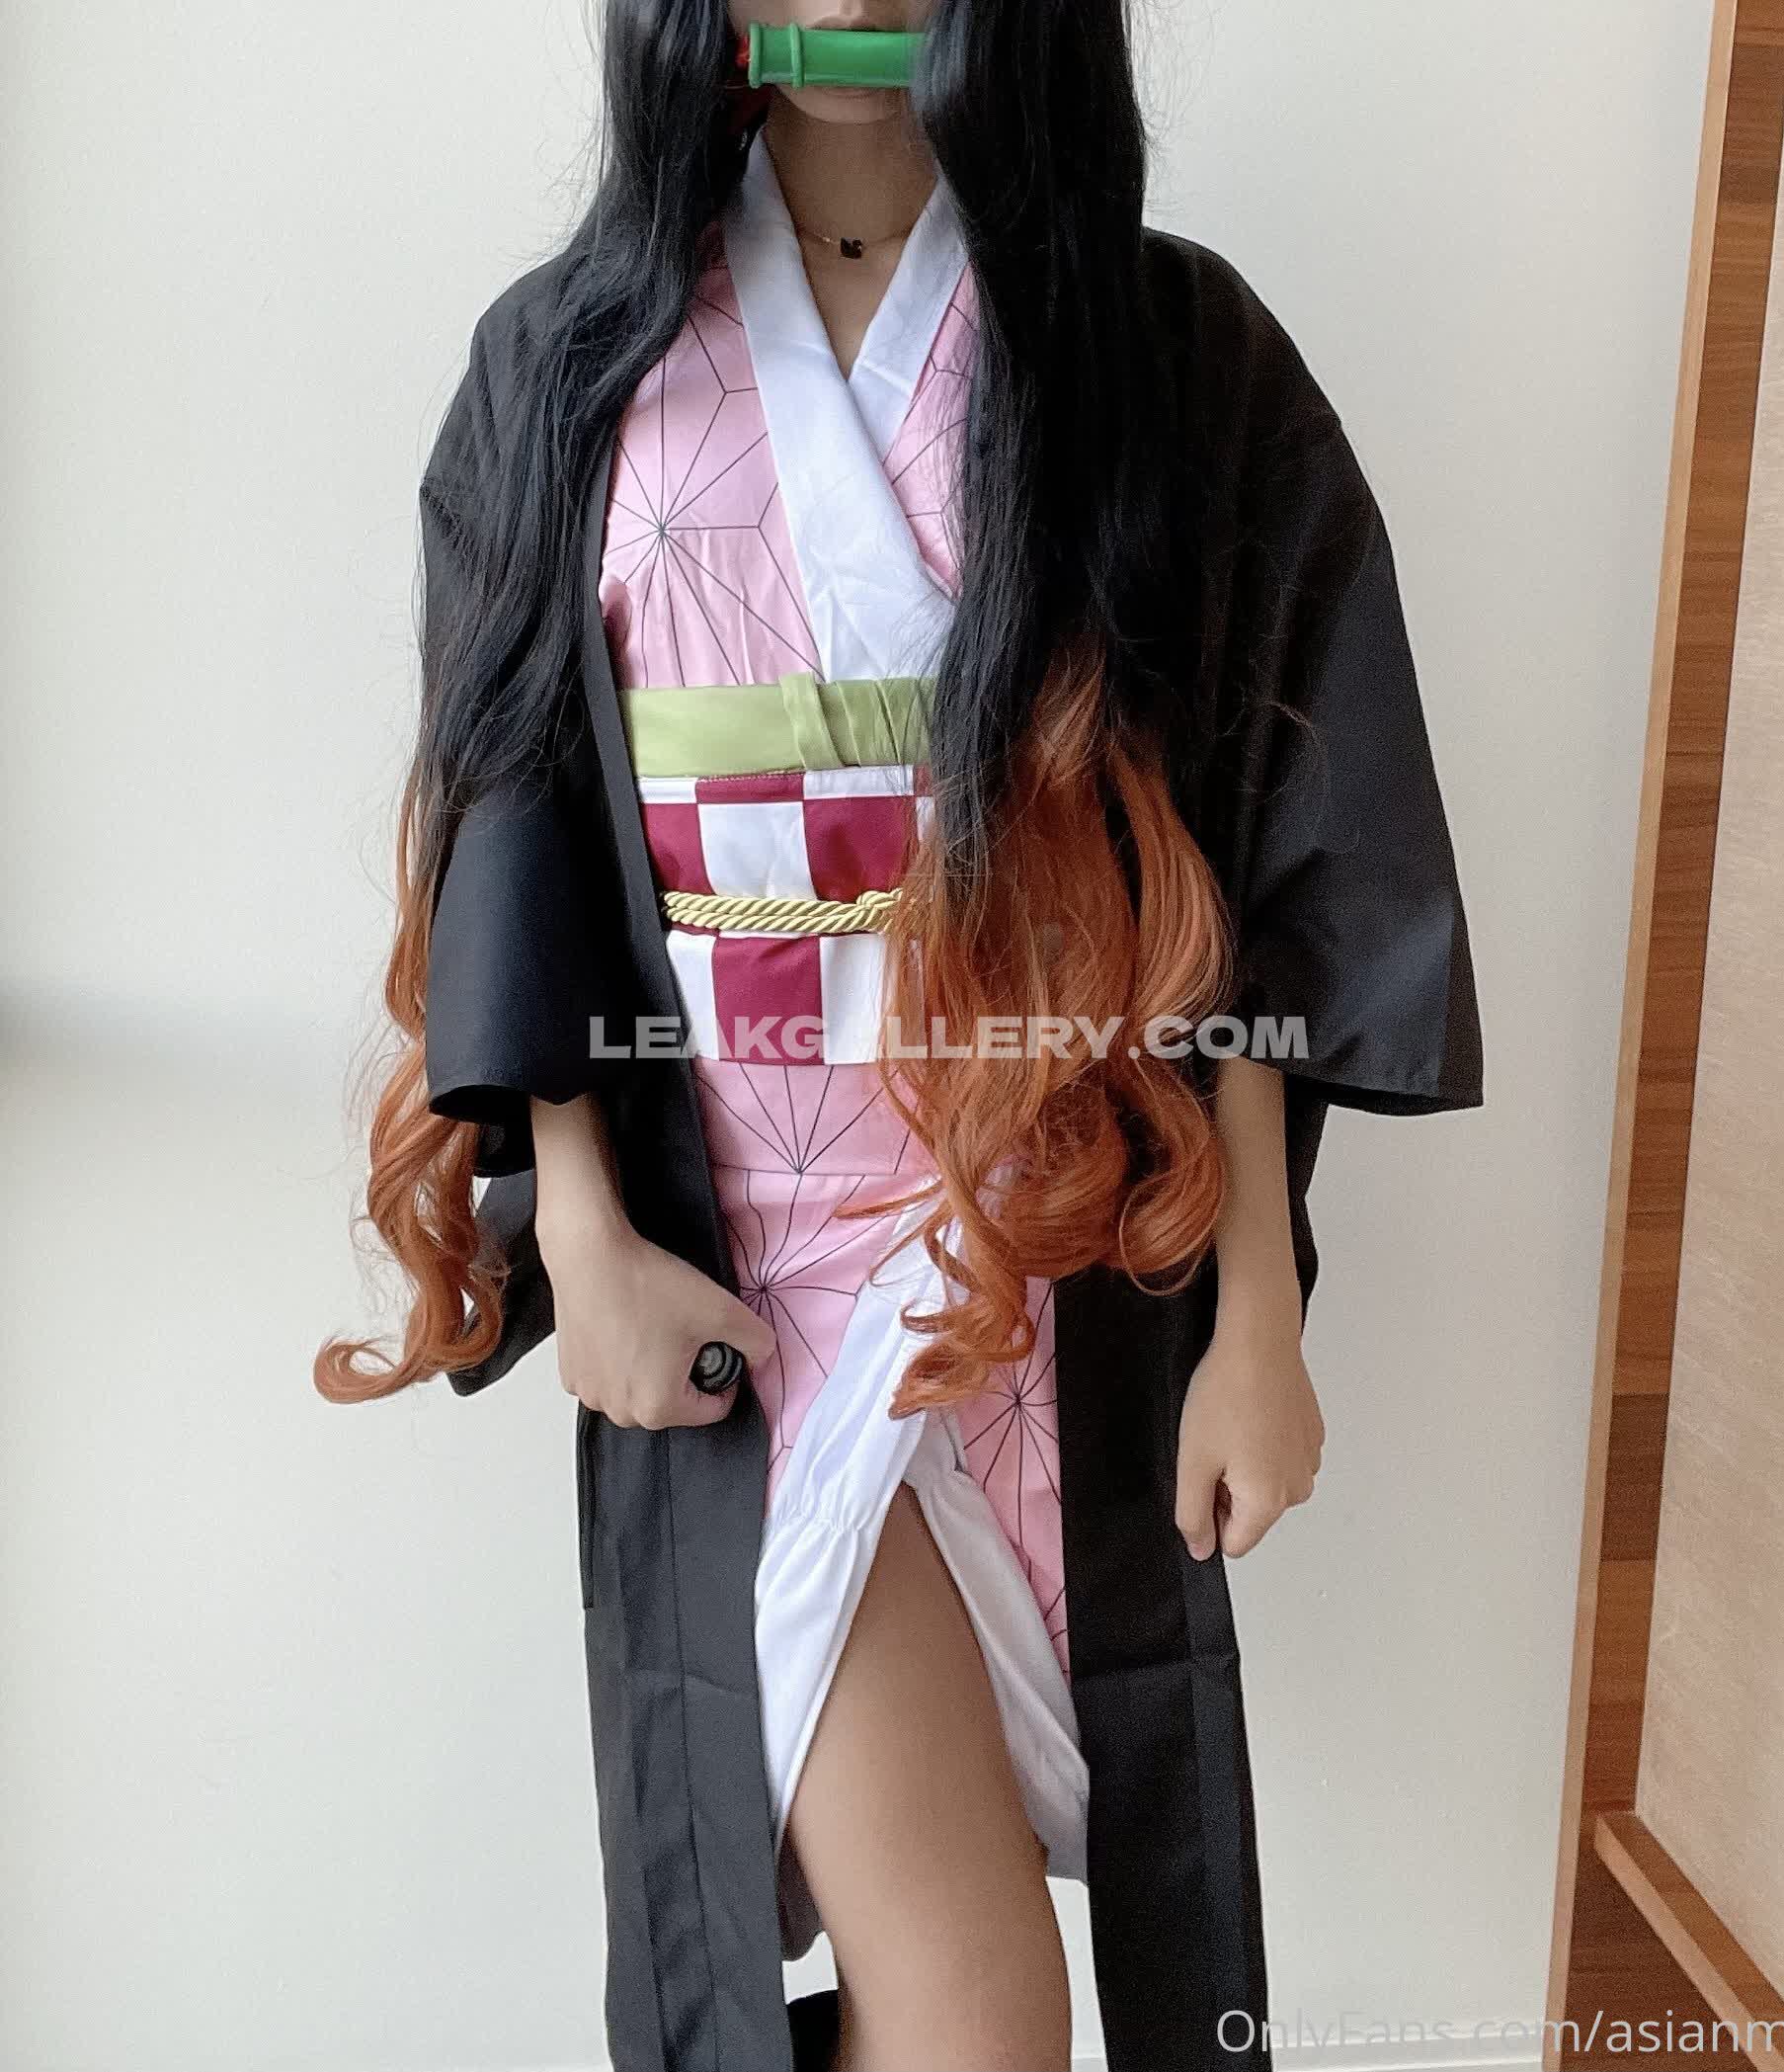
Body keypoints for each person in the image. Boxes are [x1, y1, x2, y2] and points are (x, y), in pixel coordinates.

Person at [317, 5, 1484, 2069]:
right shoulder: (567, 360)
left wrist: (1259, 1310)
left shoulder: (1169, 350)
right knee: (981, 2008)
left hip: (1056, 1275)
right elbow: (514, 813)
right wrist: (576, 1223)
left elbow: (1261, 850)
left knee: (948, 1993)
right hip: (753, 1299)